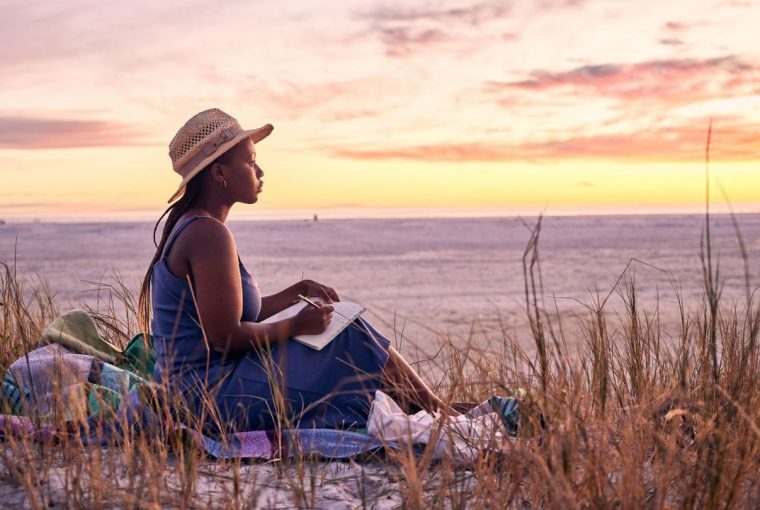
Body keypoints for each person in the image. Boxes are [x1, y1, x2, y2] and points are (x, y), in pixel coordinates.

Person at [137, 108, 455, 434]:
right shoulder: (207, 233)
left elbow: (231, 317)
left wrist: (294, 294)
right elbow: (225, 338)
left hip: (201, 389)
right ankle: (435, 410)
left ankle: (428, 408)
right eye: (250, 162)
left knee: (345, 330)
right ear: (219, 172)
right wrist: (296, 325)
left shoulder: (197, 227)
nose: (260, 171)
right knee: (351, 332)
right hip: (208, 398)